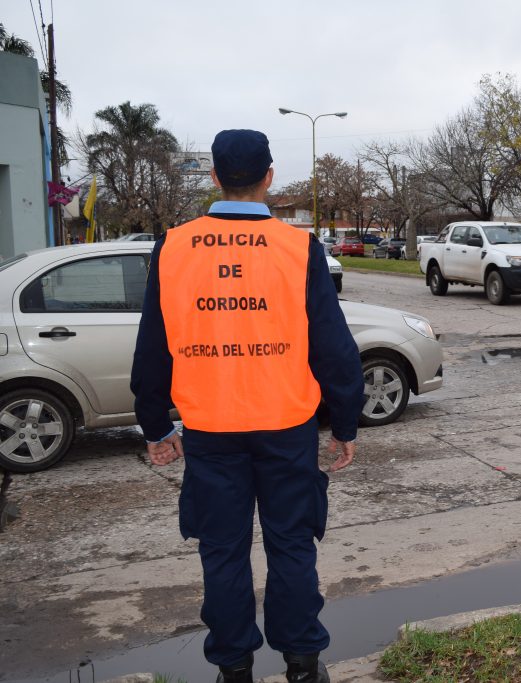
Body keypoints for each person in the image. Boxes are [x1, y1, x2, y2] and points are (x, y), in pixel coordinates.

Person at [131, 129, 363, 683]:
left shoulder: (174, 246)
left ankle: (233, 667)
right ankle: (303, 663)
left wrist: (155, 426)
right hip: (285, 428)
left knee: (222, 551)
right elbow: (333, 345)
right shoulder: (298, 247)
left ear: (214, 177)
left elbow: (152, 345)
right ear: (269, 176)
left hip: (210, 431)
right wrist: (346, 423)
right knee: (291, 545)